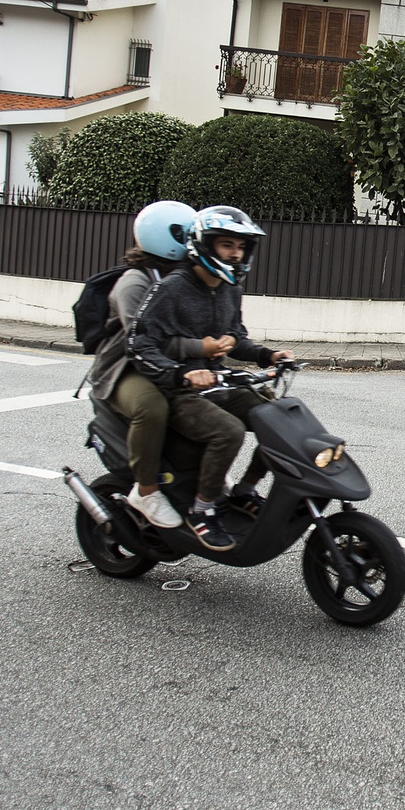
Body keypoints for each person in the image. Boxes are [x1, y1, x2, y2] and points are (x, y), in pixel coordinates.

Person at [125, 205, 293, 553]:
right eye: (226, 245)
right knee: (227, 432)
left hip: (218, 382)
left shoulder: (230, 287)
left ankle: (245, 489)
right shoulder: (172, 288)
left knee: (280, 419)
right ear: (204, 244)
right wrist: (182, 373)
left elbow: (236, 337)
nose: (236, 254)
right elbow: (140, 344)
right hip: (179, 390)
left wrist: (267, 355)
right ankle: (203, 509)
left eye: (241, 247)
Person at [88, 200, 205, 530]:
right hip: (124, 370)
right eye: (188, 236)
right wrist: (201, 347)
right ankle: (146, 490)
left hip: (164, 365)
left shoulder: (181, 278)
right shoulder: (134, 283)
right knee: (151, 408)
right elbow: (147, 342)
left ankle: (203, 483)